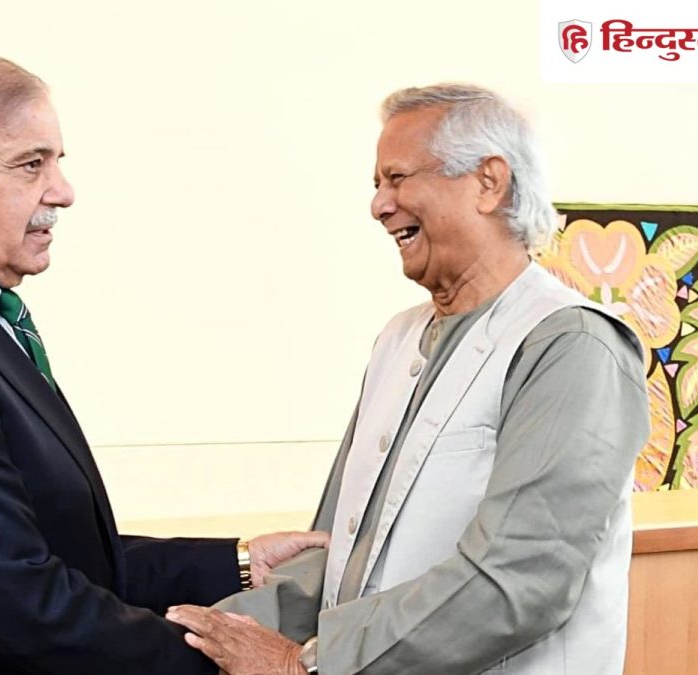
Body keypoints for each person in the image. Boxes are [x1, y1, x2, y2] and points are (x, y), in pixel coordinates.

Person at [0, 50, 326, 675]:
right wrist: (240, 662)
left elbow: (58, 552)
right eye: (31, 164)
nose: (63, 192)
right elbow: (21, 606)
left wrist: (238, 562)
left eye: (57, 162)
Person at [167, 83, 649, 674]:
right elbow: (336, 556)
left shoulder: (571, 343)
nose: (379, 205)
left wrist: (310, 663)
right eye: (377, 184)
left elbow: (517, 581)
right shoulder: (398, 339)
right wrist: (195, 635)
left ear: (489, 182)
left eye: (396, 178)